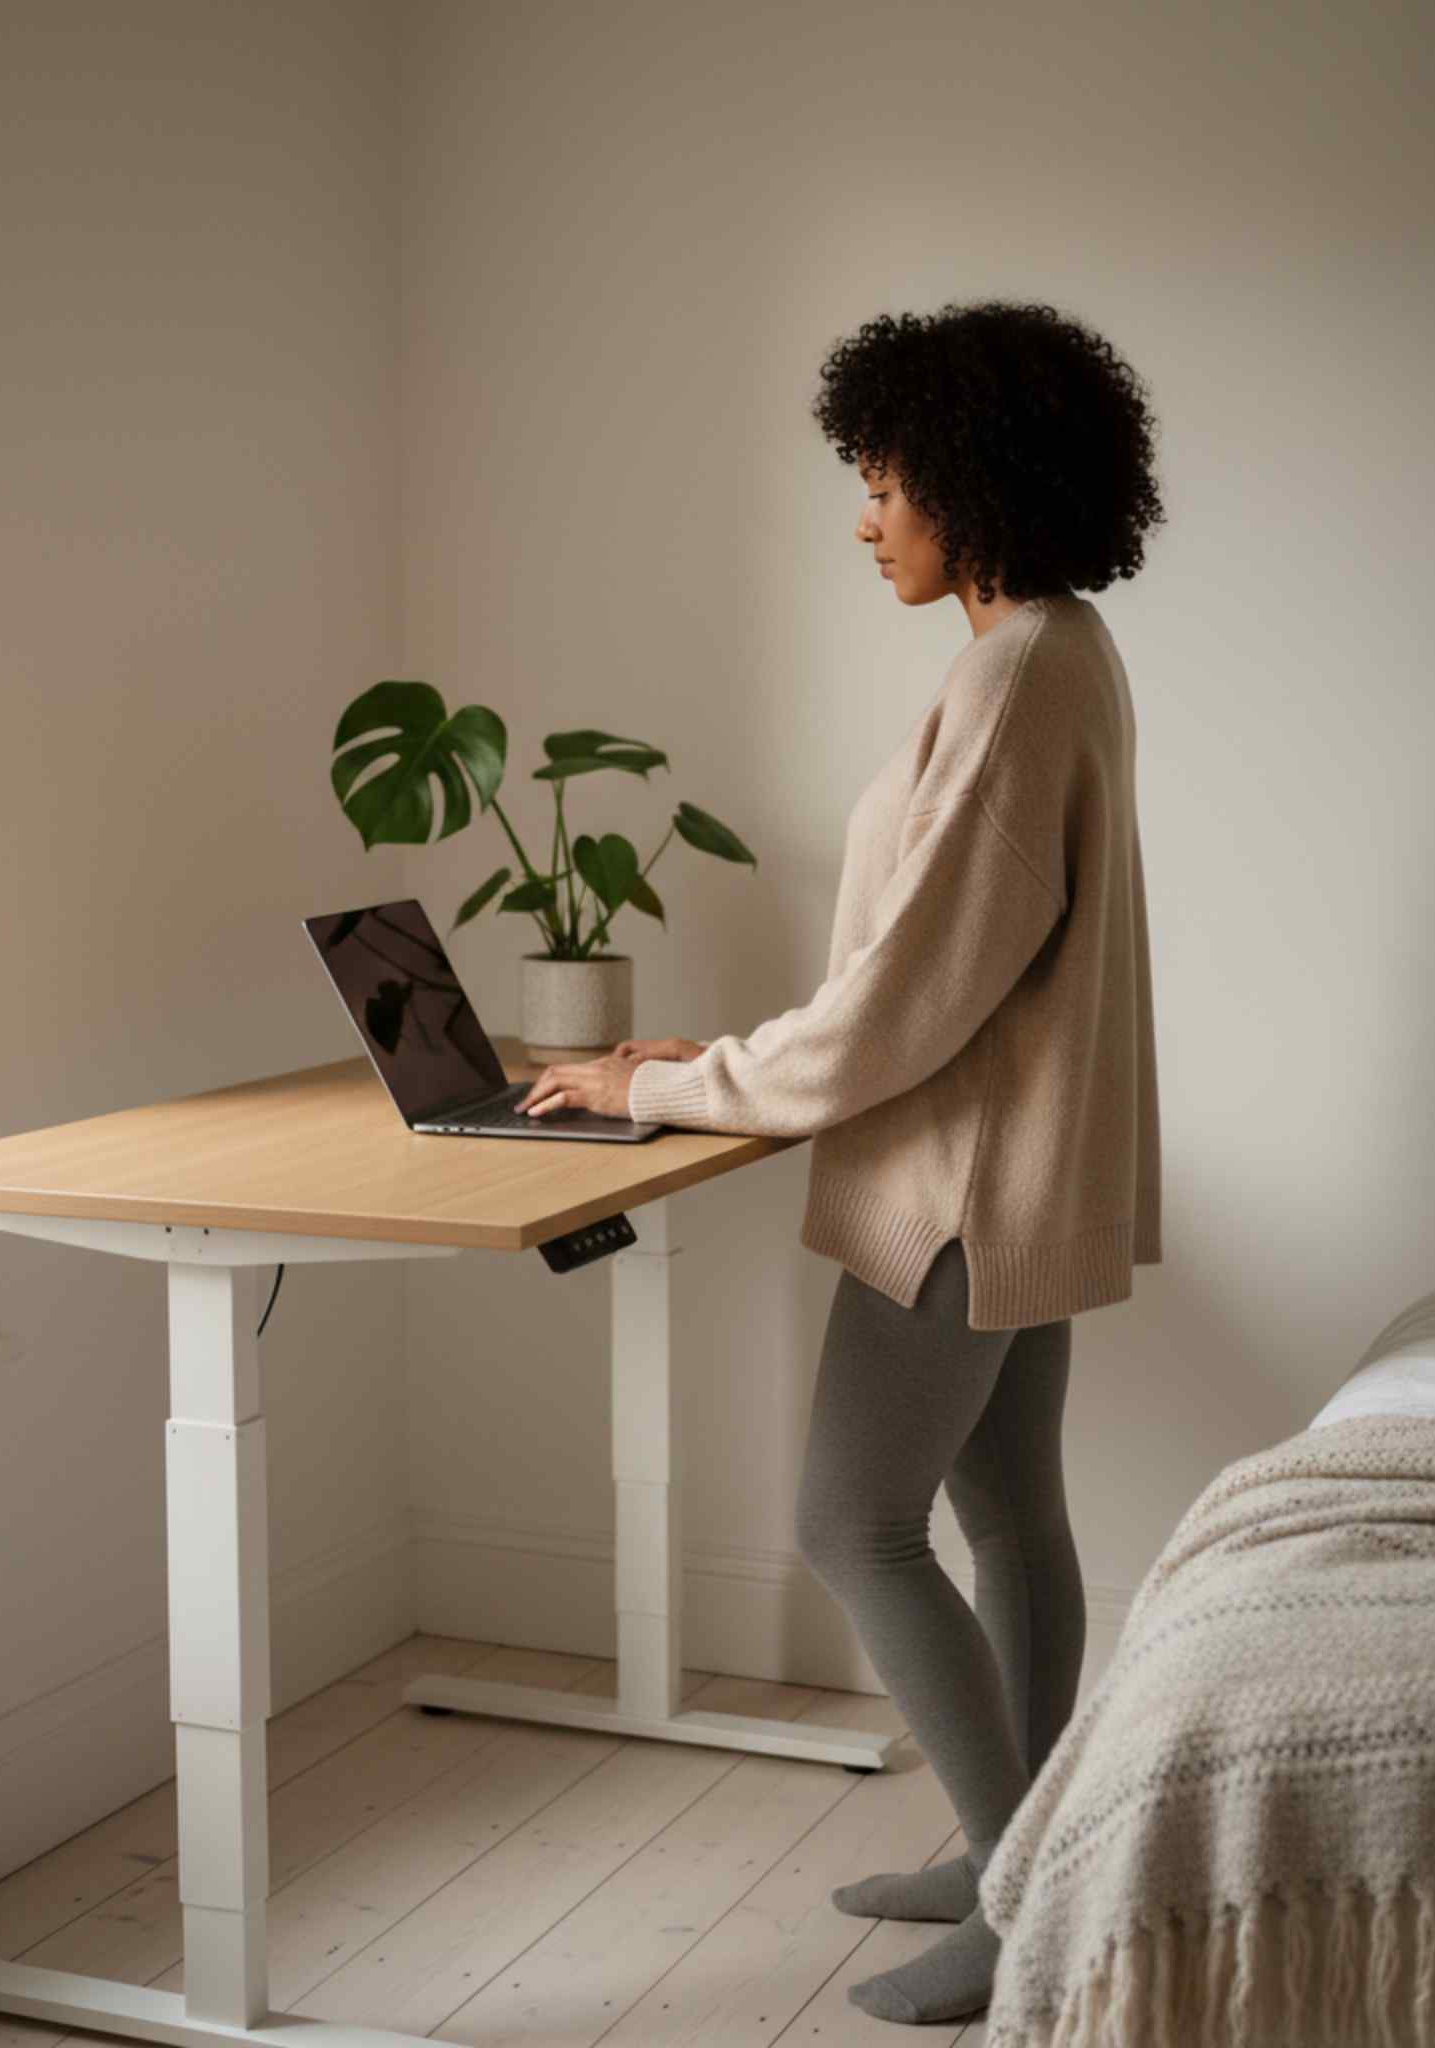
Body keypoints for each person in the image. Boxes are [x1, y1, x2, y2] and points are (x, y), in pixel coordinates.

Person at [513, 298, 1164, 2025]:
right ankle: (1004, 1848)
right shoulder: (1061, 646)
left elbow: (907, 1009)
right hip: (1026, 1160)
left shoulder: (1017, 671)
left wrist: (678, 1091)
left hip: (962, 1183)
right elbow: (934, 966)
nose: (862, 513)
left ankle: (1027, 1910)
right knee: (1005, 1505)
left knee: (848, 1521)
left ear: (967, 477)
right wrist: (696, 1059)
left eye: (881, 477)